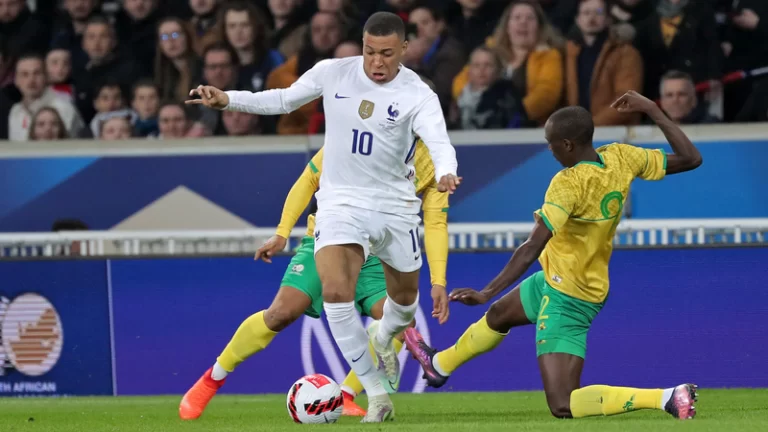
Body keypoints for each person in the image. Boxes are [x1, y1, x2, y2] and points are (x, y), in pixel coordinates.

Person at [187, 12, 460, 423]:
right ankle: (372, 395)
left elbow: (440, 146)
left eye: (387, 53)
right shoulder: (334, 74)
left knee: (402, 310)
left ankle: (381, 342)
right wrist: (229, 99)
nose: (376, 62)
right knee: (318, 301)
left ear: (404, 49)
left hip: (392, 215)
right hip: (340, 211)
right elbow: (284, 102)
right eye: (369, 51)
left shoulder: (418, 98)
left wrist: (446, 172)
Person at [404, 90, 703, 421]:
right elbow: (691, 158)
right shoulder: (621, 157)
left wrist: (485, 291)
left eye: (552, 144)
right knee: (500, 314)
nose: (550, 150)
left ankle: (667, 398)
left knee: (563, 404)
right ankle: (439, 365)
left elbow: (532, 246)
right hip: (556, 278)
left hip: (569, 295)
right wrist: (651, 109)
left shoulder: (569, 184)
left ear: (568, 145)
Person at [178, 140, 450, 419]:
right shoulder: (358, 127)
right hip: (329, 240)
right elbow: (310, 178)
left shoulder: (438, 157)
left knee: (400, 324)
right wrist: (282, 232)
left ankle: (345, 396)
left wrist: (438, 281)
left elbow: (435, 223)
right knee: (281, 314)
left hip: (375, 253)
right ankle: (213, 378)